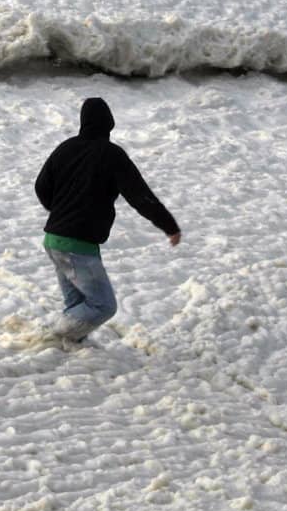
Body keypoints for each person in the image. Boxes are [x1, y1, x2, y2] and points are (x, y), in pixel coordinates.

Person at [34, 96, 181, 343]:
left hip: (54, 239)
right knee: (103, 306)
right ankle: (53, 335)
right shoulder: (111, 155)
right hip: (77, 245)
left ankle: (67, 349)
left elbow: (41, 186)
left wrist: (59, 211)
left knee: (78, 303)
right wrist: (169, 226)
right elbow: (140, 195)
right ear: (109, 123)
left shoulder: (65, 148)